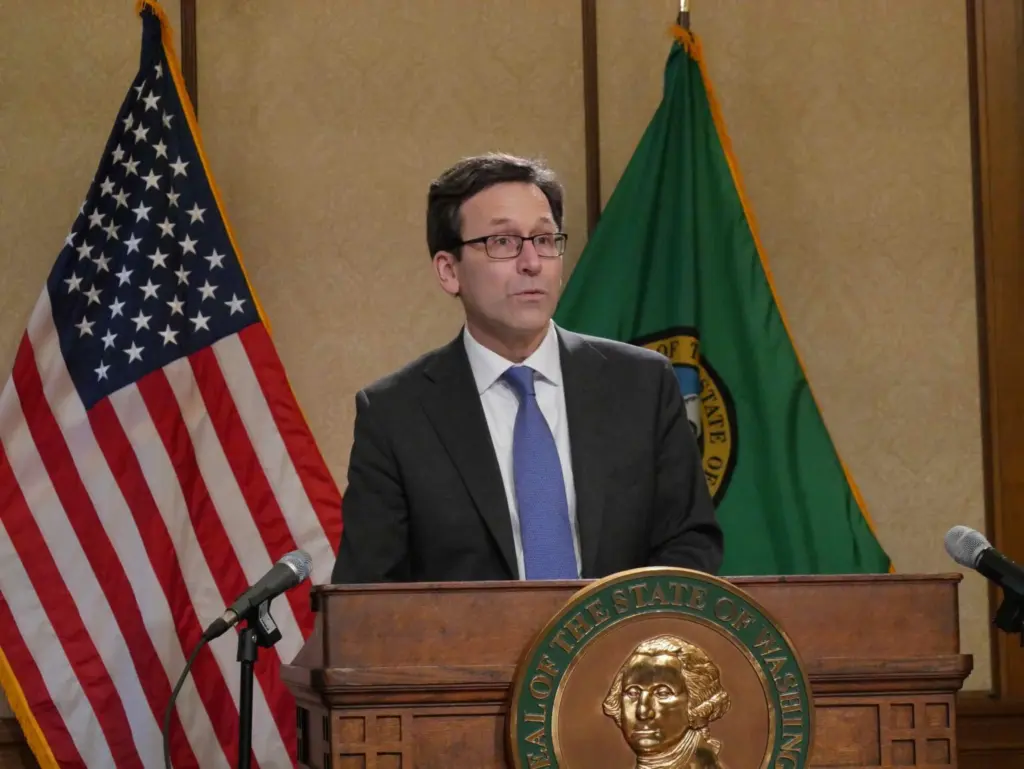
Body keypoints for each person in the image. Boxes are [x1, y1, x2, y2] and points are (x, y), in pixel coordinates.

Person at [330, 152, 723, 584]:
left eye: (544, 240)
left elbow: (688, 544)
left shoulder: (642, 385)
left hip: (620, 647)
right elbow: (368, 592)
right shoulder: (395, 415)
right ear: (449, 271)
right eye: (503, 242)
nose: (532, 262)